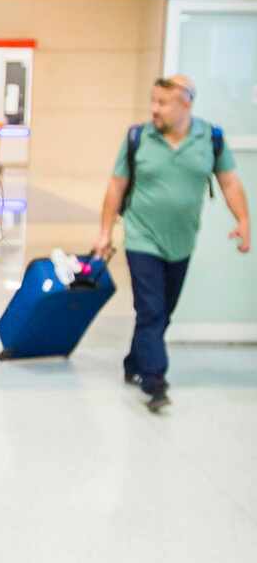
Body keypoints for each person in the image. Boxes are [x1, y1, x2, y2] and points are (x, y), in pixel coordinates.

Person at [93, 74, 250, 412]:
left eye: (162, 103)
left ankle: (134, 362)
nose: (154, 109)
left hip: (182, 242)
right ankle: (154, 380)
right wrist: (105, 232)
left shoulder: (211, 138)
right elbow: (117, 186)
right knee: (151, 309)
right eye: (153, 101)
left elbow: (230, 183)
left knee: (162, 313)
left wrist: (243, 220)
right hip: (141, 236)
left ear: (186, 104)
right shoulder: (138, 137)